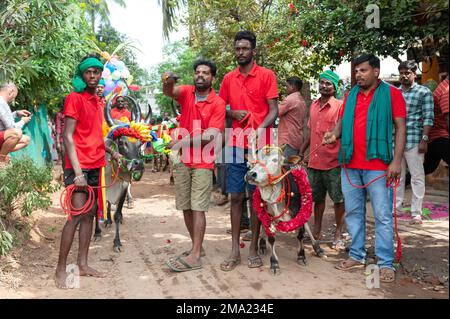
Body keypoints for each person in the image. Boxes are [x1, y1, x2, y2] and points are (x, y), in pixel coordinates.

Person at [323, 54, 406, 283]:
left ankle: (385, 262)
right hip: (349, 164)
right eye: (356, 71)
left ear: (376, 72)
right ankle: (357, 255)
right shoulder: (350, 96)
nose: (358, 74)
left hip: (378, 166)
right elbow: (342, 123)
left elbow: (400, 127)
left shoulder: (392, 94)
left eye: (363, 70)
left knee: (382, 216)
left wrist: (396, 161)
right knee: (353, 213)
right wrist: (334, 135)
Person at [55, 54, 121, 289]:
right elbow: (68, 137)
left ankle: (82, 264)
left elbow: (93, 135)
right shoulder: (74, 98)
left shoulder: (98, 101)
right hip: (79, 168)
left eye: (96, 72)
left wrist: (112, 153)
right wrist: (78, 172)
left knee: (90, 215)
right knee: (74, 217)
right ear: (82, 75)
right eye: (88, 72)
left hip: (95, 165)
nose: (93, 76)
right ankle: (60, 270)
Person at [219, 30, 278, 271]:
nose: (240, 52)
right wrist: (232, 113)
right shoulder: (228, 78)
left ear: (253, 51)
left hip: (261, 146)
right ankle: (235, 250)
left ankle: (253, 246)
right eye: (237, 49)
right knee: (235, 196)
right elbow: (220, 108)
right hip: (234, 143)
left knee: (257, 198)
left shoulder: (266, 75)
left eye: (245, 48)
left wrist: (260, 128)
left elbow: (274, 110)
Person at [162, 59, 226, 272]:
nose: (200, 75)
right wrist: (168, 79)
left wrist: (182, 141)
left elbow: (211, 135)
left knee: (198, 207)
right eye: (197, 72)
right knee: (186, 206)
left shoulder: (217, 103)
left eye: (205, 73)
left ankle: (196, 255)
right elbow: (169, 91)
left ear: (212, 78)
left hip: (203, 161)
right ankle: (195, 248)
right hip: (182, 161)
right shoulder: (187, 92)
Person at [299, 70, 345, 249]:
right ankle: (316, 231)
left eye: (328, 84)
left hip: (334, 161)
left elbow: (342, 132)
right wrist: (302, 152)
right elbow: (310, 133)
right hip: (314, 161)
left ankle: (338, 234)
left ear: (334, 87)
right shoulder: (313, 105)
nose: (324, 86)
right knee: (317, 199)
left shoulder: (341, 106)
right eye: (322, 82)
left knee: (338, 200)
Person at [395, 61, 434, 225]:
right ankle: (395, 209)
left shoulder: (423, 92)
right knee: (397, 176)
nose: (404, 75)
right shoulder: (394, 93)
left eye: (408, 72)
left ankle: (416, 213)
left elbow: (428, 117)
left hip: (414, 140)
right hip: (395, 141)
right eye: (402, 72)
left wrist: (424, 139)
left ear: (414, 74)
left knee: (417, 177)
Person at [0, 82, 31, 167]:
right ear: (11, 91)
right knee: (16, 133)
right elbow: (10, 127)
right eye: (14, 97)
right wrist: (23, 122)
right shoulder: (1, 103)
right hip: (2, 133)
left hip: (1, 134)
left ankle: (2, 153)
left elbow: (4, 118)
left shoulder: (2, 102)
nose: (13, 100)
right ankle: (1, 159)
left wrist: (17, 113)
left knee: (26, 139)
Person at [424, 73, 449, 175]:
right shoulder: (446, 90)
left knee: (428, 167)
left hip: (434, 137)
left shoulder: (443, 86)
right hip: (439, 136)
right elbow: (448, 119)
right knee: (427, 167)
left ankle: (393, 185)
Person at [277, 76, 307, 159]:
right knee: (292, 168)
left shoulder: (289, 100)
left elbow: (275, 112)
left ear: (292, 87)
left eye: (287, 86)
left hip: (287, 140)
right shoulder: (302, 101)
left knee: (284, 168)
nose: (285, 88)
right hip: (297, 139)